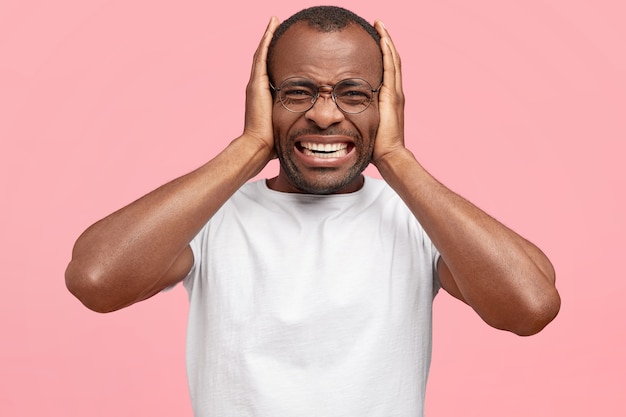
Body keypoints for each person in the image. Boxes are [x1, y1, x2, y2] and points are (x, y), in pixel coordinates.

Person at [65, 6, 560, 417]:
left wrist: (396, 158)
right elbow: (96, 278)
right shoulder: (209, 216)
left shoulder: (418, 219)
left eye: (354, 94)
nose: (325, 115)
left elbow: (531, 306)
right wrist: (251, 145)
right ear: (264, 98)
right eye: (298, 92)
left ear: (388, 105)